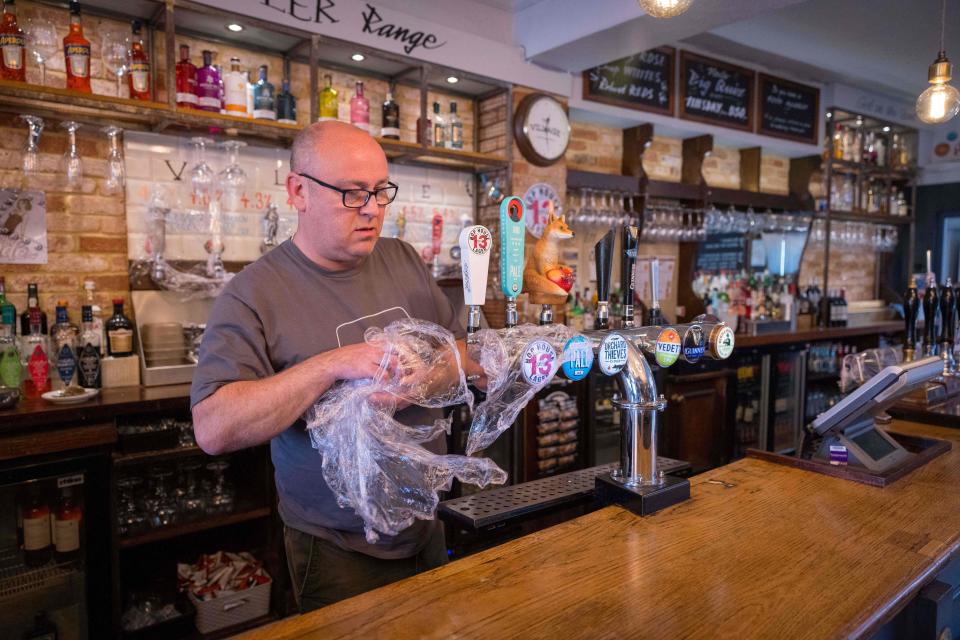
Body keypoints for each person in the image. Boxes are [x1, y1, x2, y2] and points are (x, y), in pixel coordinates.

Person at [190, 121, 483, 612]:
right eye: (351, 193)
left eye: (379, 192)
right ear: (298, 191)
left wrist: (416, 383)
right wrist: (332, 365)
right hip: (335, 549)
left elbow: (462, 356)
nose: (372, 209)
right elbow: (214, 428)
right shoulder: (253, 293)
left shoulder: (403, 258)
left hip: (429, 524)